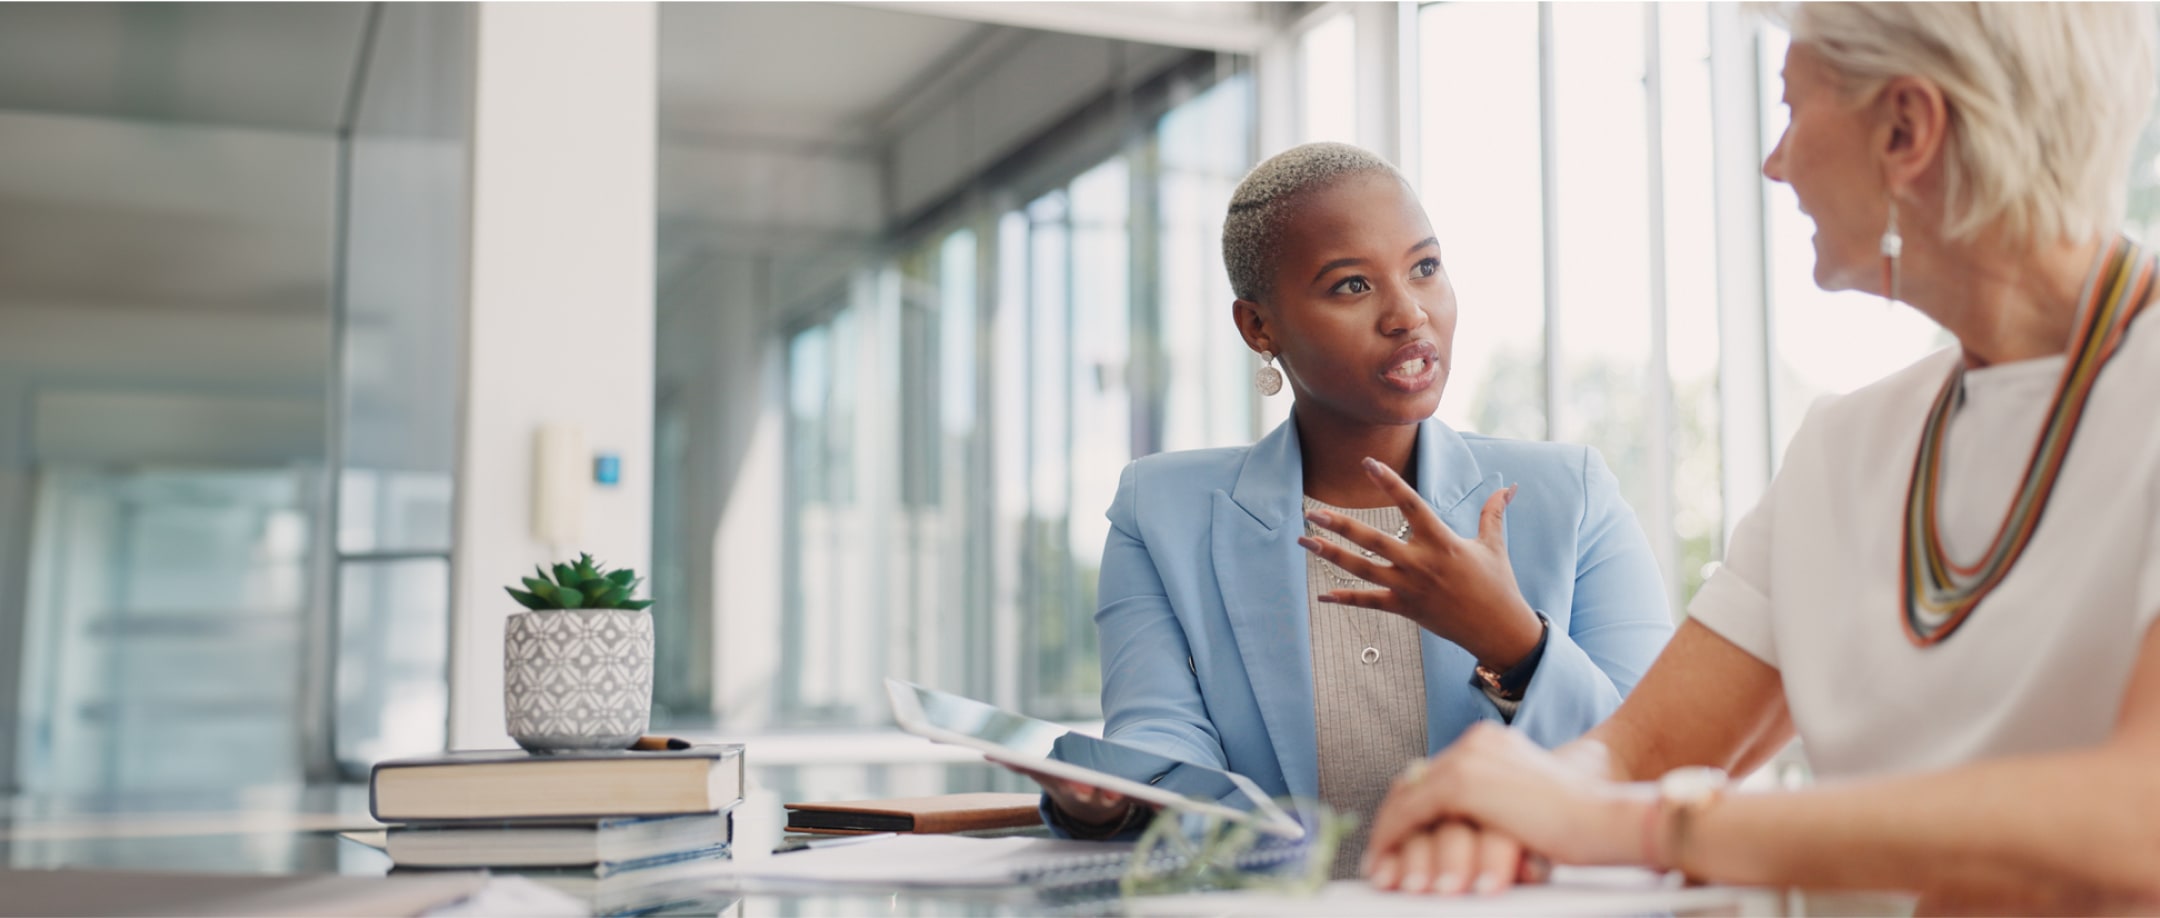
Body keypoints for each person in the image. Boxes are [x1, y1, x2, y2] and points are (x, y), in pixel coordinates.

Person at [1359, 3, 2160, 910]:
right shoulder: (1845, 446)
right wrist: (1507, 802)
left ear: (1906, 128)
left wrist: (1643, 825)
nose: (1775, 164)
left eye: (1791, 107)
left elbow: (2139, 818)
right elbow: (1637, 753)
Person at [1029, 142, 1674, 876]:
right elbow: (1162, 745)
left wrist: (1515, 644)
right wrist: (1109, 798)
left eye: (1425, 268)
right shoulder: (1161, 514)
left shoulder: (1570, 494)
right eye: (1351, 286)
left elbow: (1660, 762)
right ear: (1258, 328)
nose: (1408, 314)